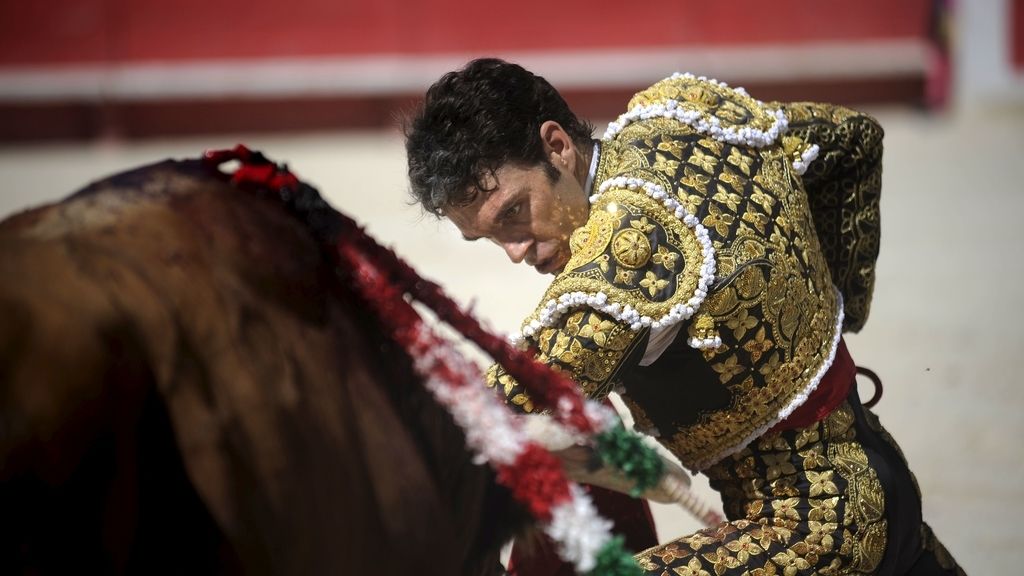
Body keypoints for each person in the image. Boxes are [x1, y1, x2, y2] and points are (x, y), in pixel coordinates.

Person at [405, 58, 966, 575]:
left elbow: (488, 417)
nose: (514, 251)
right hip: (879, 471)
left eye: (514, 212)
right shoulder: (682, 117)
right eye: (489, 237)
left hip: (813, 532)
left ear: (557, 147)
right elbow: (852, 141)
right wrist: (837, 307)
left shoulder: (625, 261)